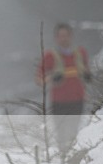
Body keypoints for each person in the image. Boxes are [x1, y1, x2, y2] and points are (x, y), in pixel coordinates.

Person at [36, 23, 92, 155]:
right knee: (61, 134)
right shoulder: (50, 56)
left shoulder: (80, 53)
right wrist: (51, 78)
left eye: (66, 35)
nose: (64, 39)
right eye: (61, 36)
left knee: (74, 132)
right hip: (58, 102)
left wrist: (88, 76)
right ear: (56, 38)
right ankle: (63, 158)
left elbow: (87, 72)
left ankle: (74, 160)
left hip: (77, 100)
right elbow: (39, 79)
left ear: (71, 36)